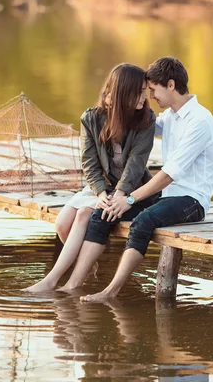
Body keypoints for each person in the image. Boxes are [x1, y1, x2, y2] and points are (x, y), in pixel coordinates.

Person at [57, 56, 213, 301]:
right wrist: (114, 102)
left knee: (143, 221)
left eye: (153, 90)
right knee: (101, 214)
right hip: (165, 198)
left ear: (171, 85)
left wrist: (129, 199)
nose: (151, 97)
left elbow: (168, 176)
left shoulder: (199, 121)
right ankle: (73, 285)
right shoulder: (170, 118)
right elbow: (131, 121)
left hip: (191, 200)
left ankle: (110, 291)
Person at [23, 63, 158, 292]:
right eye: (140, 92)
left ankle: (52, 280)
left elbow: (136, 164)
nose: (145, 98)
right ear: (122, 92)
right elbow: (89, 162)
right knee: (62, 224)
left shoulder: (146, 120)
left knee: (85, 213)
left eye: (146, 91)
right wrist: (101, 192)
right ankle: (89, 265)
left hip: (131, 188)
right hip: (101, 186)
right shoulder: (91, 118)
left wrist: (119, 194)